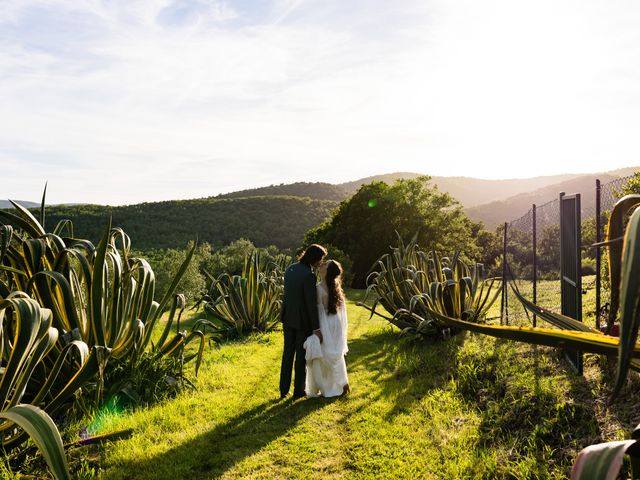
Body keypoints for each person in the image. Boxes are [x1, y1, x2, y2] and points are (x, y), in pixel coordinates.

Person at [279, 244, 327, 399]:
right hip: (301, 322)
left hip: (287, 318)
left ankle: (283, 389)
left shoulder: (290, 269)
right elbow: (310, 305)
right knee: (300, 356)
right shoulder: (309, 275)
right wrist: (316, 328)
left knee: (287, 354)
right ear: (314, 258)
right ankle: (298, 391)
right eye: (320, 259)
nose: (321, 262)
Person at [304, 260, 350, 398]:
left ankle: (329, 386)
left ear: (327, 271)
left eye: (325, 265)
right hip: (335, 323)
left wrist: (315, 328)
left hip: (325, 323)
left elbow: (316, 311)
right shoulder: (336, 288)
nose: (321, 264)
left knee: (325, 353)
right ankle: (341, 383)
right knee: (335, 353)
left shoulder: (318, 288)